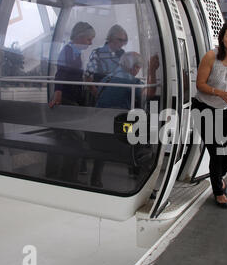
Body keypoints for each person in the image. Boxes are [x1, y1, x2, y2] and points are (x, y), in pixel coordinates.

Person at [193, 20, 227, 209]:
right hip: (204, 108)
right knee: (217, 153)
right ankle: (218, 191)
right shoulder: (211, 56)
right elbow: (200, 84)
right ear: (222, 38)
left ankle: (218, 178)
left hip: (225, 110)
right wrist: (220, 93)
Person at [89, 52, 159, 188]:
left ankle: (95, 178)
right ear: (134, 67)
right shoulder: (132, 82)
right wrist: (152, 71)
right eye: (138, 67)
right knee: (145, 138)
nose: (138, 71)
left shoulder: (106, 79)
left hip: (98, 129)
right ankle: (142, 179)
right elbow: (149, 94)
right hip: (117, 132)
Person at [46, 22, 95, 183]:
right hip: (66, 100)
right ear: (80, 37)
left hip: (70, 100)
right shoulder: (68, 52)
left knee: (62, 139)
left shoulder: (74, 52)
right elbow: (61, 73)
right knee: (75, 142)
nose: (90, 43)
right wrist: (58, 93)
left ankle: (54, 175)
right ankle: (68, 177)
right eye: (89, 39)